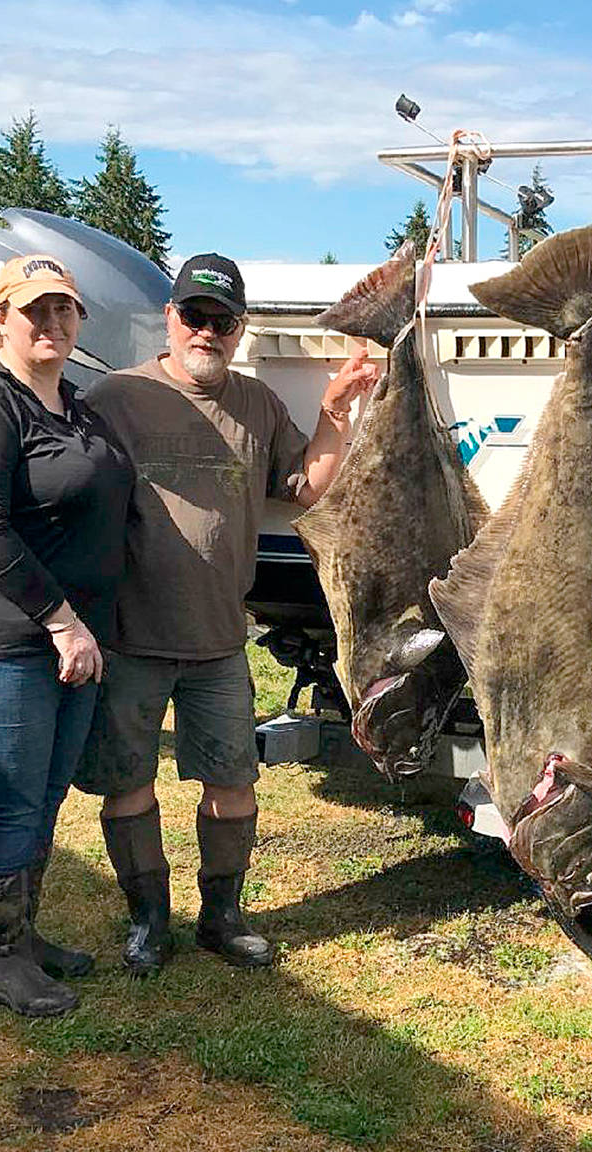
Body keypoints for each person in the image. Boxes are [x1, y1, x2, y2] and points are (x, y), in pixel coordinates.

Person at [76, 253, 378, 975]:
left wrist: (335, 413)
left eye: (222, 321)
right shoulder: (115, 398)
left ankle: (222, 916)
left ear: (240, 330)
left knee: (233, 783)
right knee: (128, 783)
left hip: (218, 640)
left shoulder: (257, 405)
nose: (205, 332)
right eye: (194, 317)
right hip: (127, 638)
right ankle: (148, 920)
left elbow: (306, 487)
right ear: (170, 319)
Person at [0, 254, 133, 1016]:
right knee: (11, 800)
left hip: (69, 644)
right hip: (2, 643)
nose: (51, 324)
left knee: (44, 795)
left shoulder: (74, 404)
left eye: (63, 311)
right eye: (33, 311)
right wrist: (63, 621)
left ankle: (25, 934)